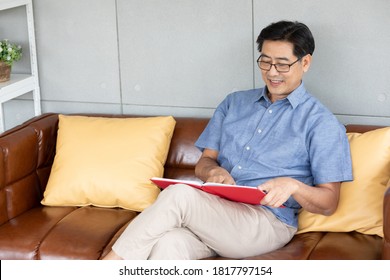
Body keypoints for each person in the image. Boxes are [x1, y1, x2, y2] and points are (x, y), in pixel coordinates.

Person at [103, 20, 353, 260]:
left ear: (305, 62)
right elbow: (204, 162)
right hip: (215, 212)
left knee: (180, 195)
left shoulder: (322, 122)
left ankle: (108, 266)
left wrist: (294, 186)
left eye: (282, 64)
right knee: (170, 244)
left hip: (265, 222)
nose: (272, 72)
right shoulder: (234, 103)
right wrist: (214, 173)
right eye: (265, 62)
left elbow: (329, 202)